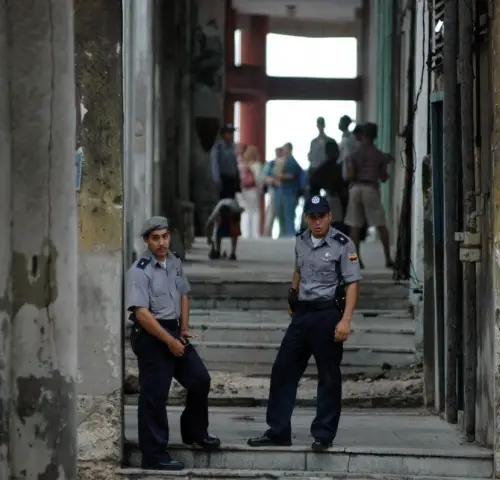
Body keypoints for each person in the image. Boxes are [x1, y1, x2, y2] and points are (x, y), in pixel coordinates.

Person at [247, 196, 362, 452]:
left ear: (330, 217)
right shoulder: (301, 240)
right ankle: (278, 431)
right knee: (283, 370)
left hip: (327, 314)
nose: (317, 222)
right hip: (302, 314)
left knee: (328, 376)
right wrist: (292, 292)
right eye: (312, 217)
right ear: (306, 218)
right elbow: (298, 268)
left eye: (322, 216)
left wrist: (346, 320)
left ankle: (323, 434)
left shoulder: (343, 244)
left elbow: (353, 283)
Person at [126, 216, 220, 471]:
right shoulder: (139, 270)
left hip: (173, 330)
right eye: (155, 238)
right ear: (146, 240)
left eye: (165, 236)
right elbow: (142, 313)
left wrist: (184, 328)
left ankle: (195, 432)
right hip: (151, 334)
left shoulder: (175, 262)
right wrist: (169, 341)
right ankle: (154, 454)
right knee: (154, 396)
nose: (161, 243)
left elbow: (183, 293)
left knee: (200, 379)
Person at [345, 122, 395, 269]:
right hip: (371, 188)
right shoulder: (379, 155)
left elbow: (350, 174)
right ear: (375, 136)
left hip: (355, 188)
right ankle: (387, 258)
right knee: (381, 225)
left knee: (355, 226)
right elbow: (384, 177)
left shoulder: (354, 154)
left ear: (363, 135)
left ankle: (355, 261)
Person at [211, 123, 240, 200]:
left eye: (231, 133)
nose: (230, 135)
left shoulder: (233, 147)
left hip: (232, 179)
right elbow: (215, 164)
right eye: (228, 133)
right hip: (223, 179)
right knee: (223, 203)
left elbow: (235, 164)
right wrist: (217, 179)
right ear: (223, 134)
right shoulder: (218, 147)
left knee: (231, 202)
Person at [238, 145, 261, 239]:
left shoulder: (242, 165)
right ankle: (255, 233)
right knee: (255, 211)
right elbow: (258, 179)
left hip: (243, 190)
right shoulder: (257, 165)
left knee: (245, 212)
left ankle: (245, 233)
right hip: (253, 190)